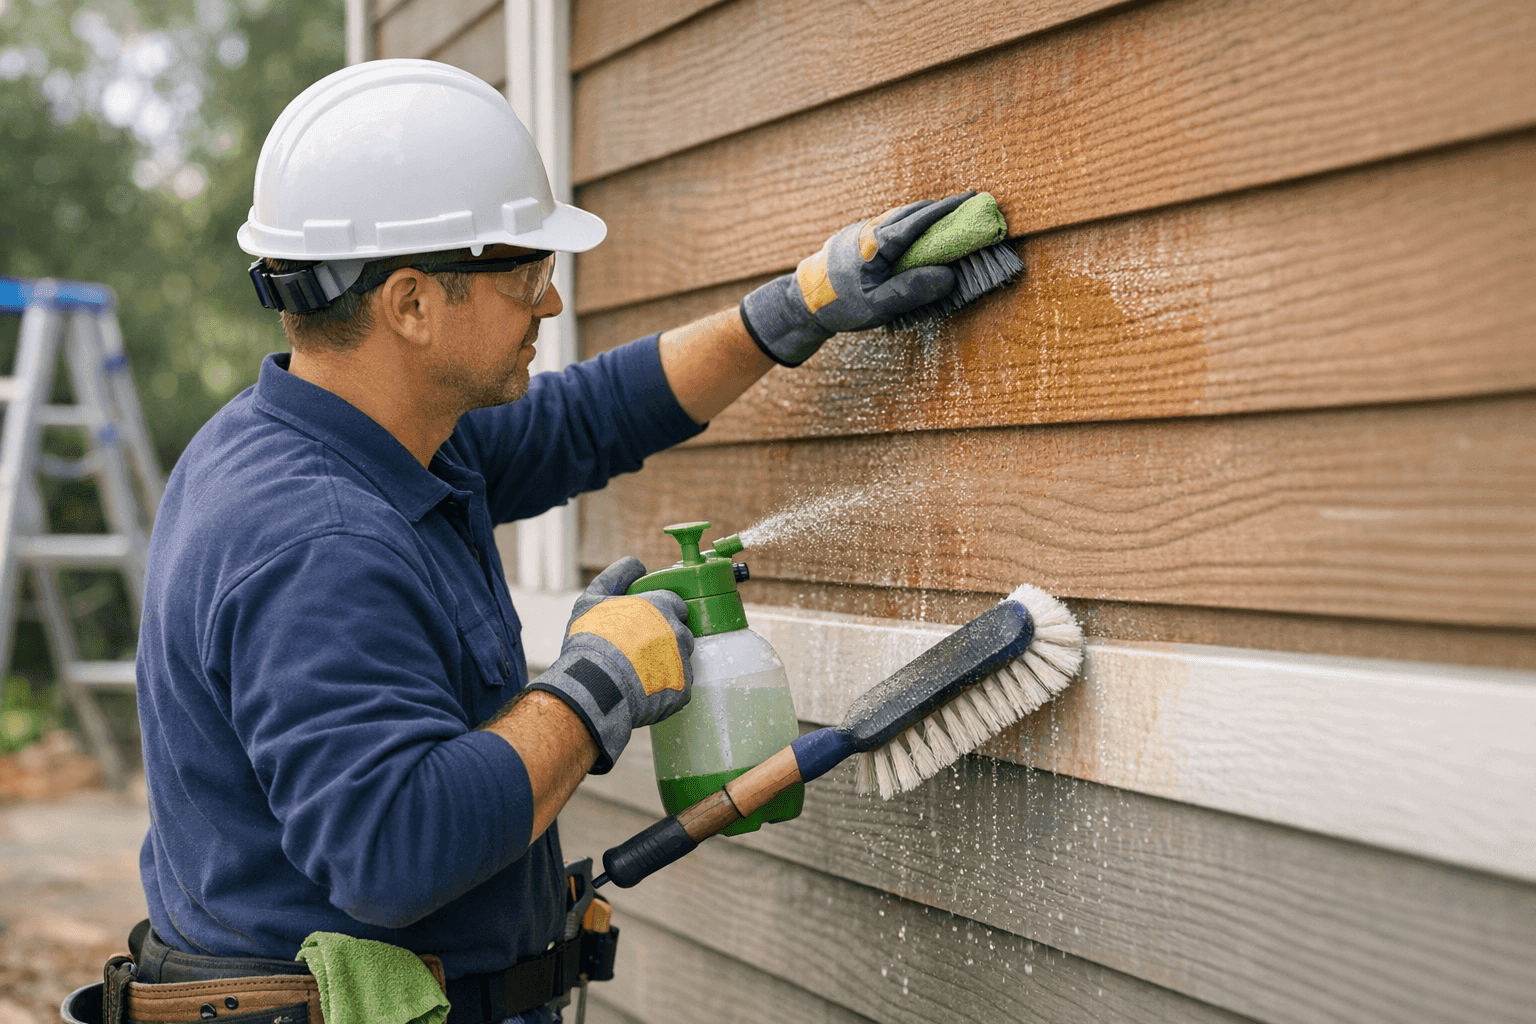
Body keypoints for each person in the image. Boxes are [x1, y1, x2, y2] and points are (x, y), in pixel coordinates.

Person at [126, 58, 972, 1024]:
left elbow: (588, 418)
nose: (551, 303)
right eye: (526, 272)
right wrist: (591, 687)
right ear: (411, 303)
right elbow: (393, 850)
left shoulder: (370, 434)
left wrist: (795, 308)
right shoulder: (315, 539)